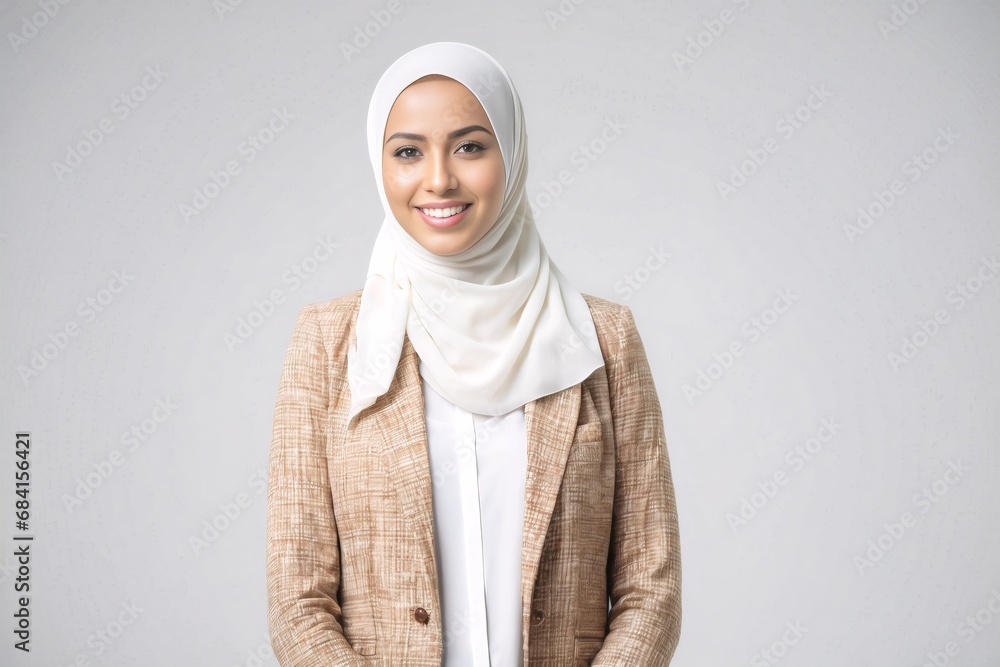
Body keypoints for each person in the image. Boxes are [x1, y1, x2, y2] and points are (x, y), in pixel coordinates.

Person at [265, 41, 681, 666]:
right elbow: (298, 601)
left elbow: (652, 586)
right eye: (408, 151)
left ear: (510, 154)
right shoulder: (328, 342)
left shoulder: (602, 338)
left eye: (469, 146)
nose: (439, 179)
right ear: (380, 165)